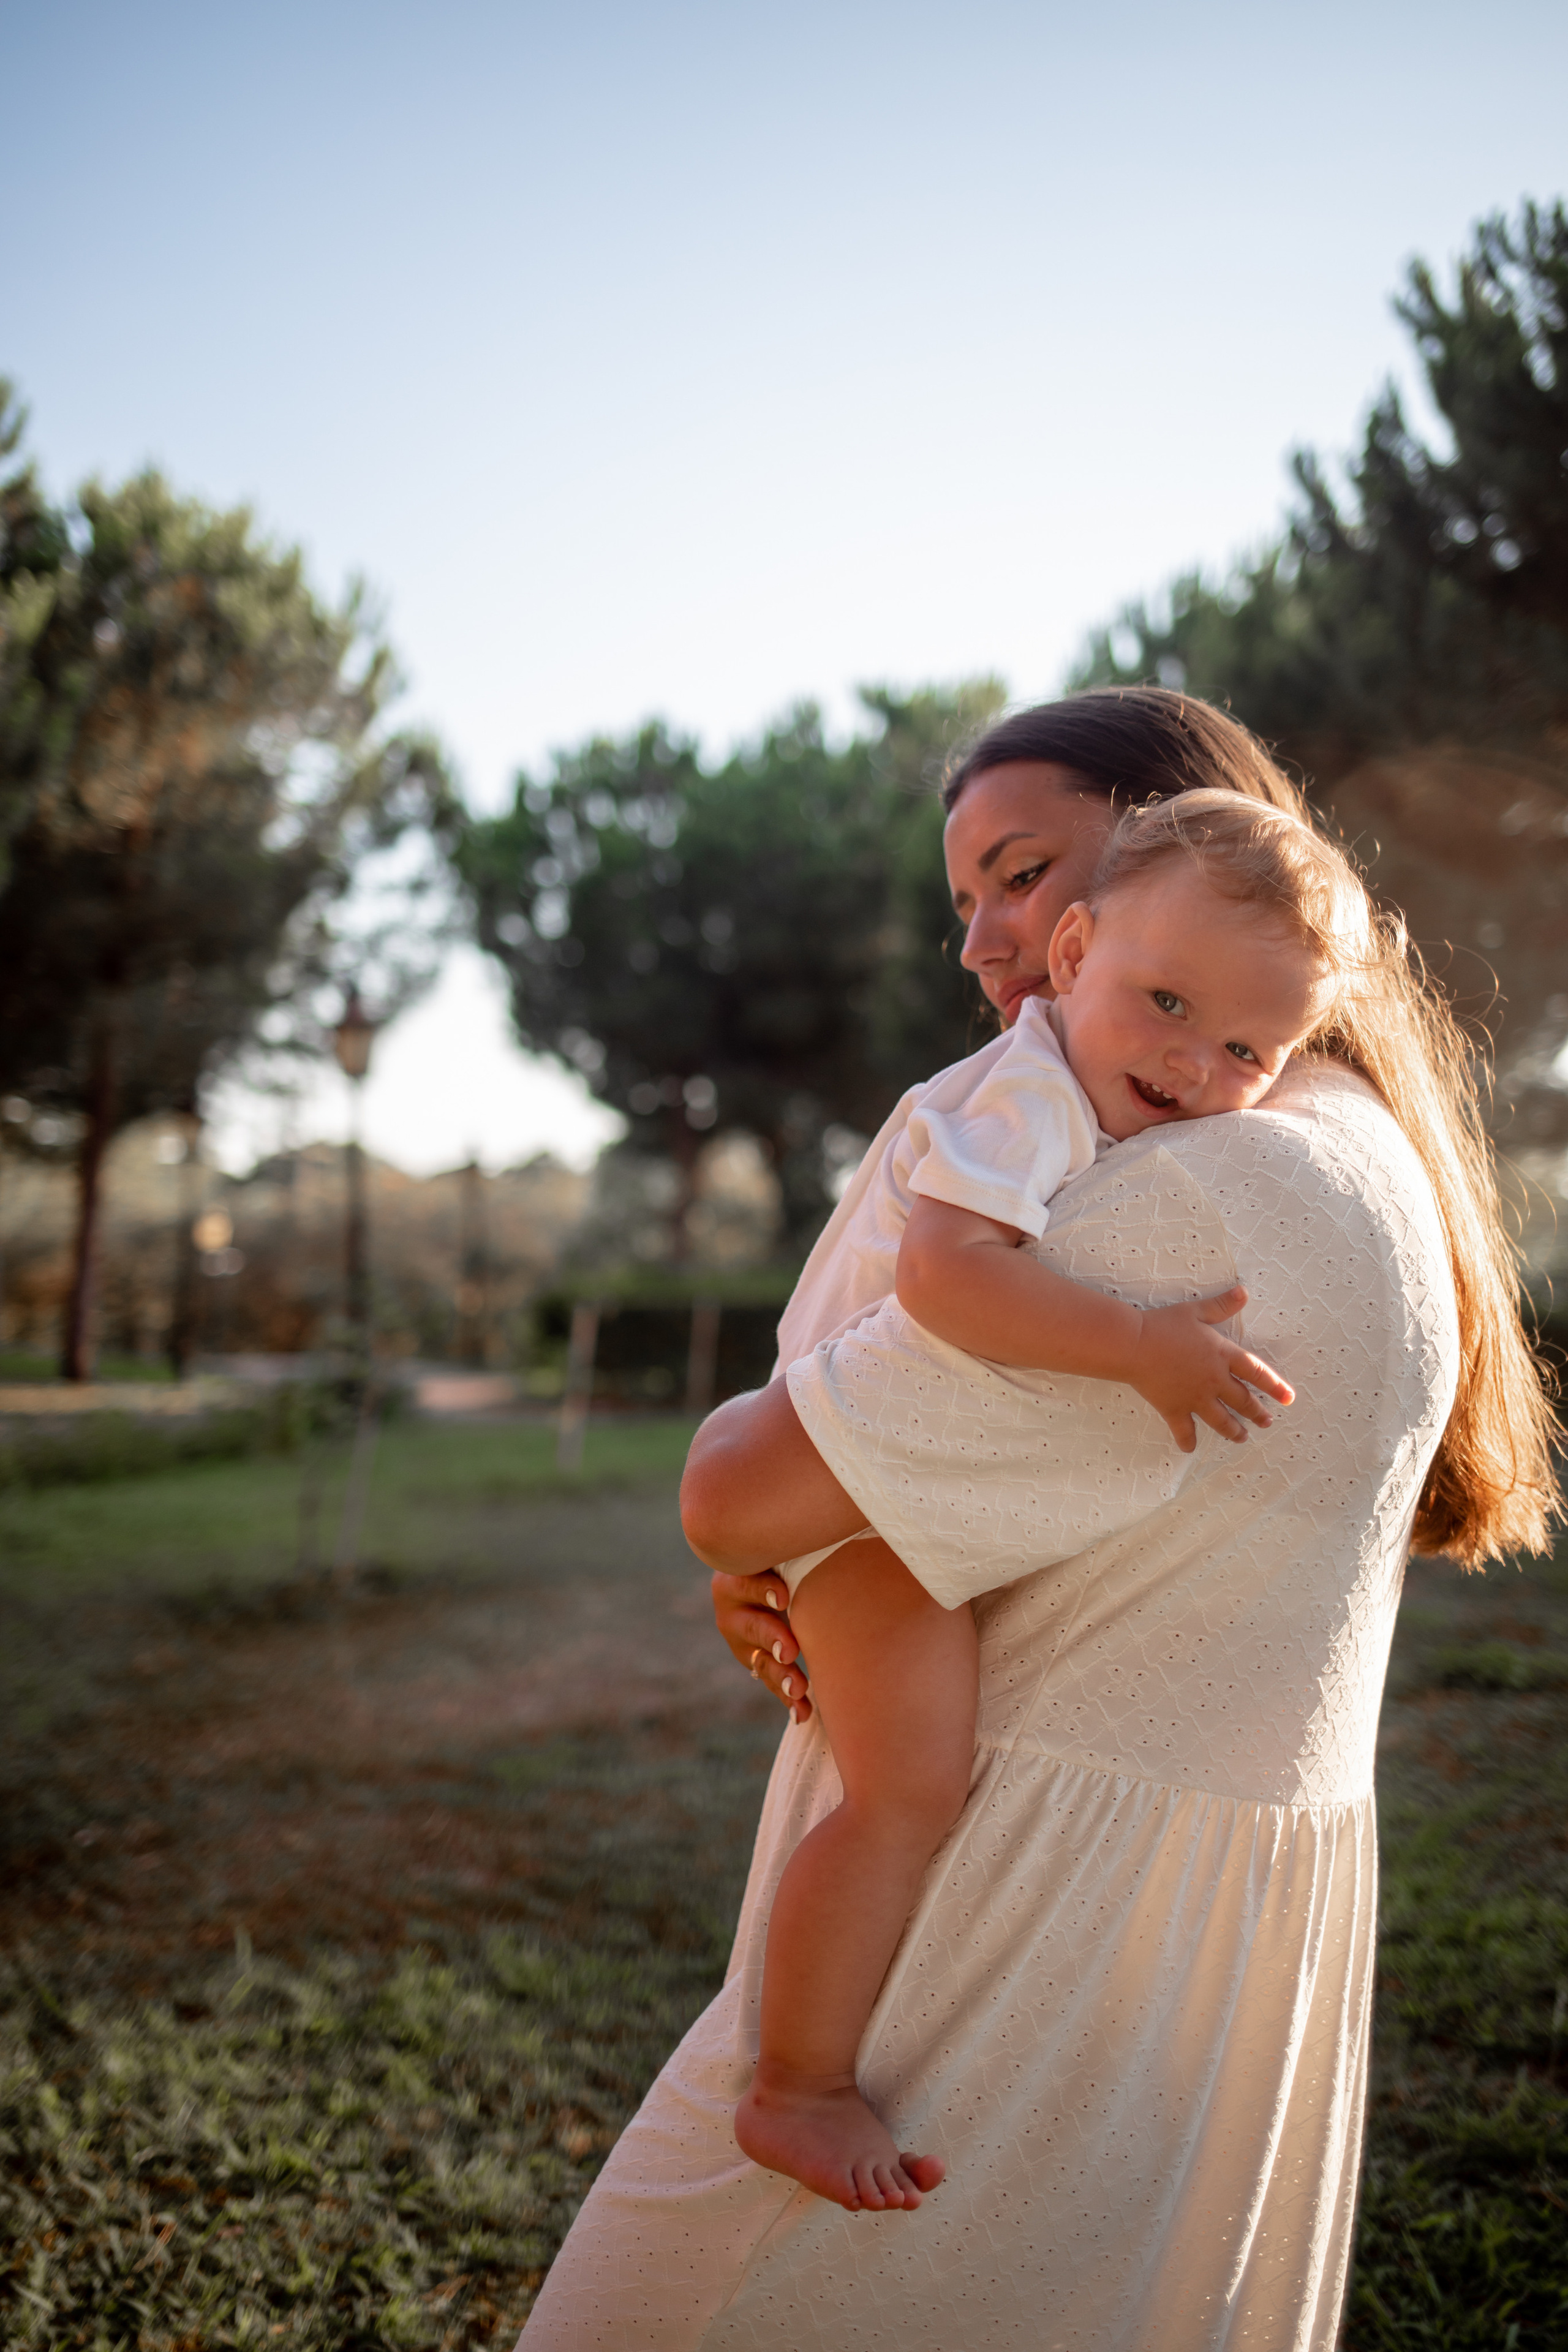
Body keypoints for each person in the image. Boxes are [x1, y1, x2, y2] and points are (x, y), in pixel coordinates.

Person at [519, 690, 1557, 2352]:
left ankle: (797, 2078)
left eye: (1025, 874)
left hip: (1013, 1935)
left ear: (1176, 847)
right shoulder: (1251, 1145)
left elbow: (735, 1490)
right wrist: (805, 1529)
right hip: (1170, 1908)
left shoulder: (1188, 1180)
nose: (994, 937)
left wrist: (781, 1521)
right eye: (972, 902)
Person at [723, 790, 1344, 2216]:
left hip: (860, 1474)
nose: (1194, 1064)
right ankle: (795, 2086)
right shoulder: (1024, 1091)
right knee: (902, 1793)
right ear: (1071, 958)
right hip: (852, 1483)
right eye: (1165, 1003)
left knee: (910, 1784)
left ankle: (796, 2080)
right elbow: (946, 1277)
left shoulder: (1084, 1083)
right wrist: (1137, 1346)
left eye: (1248, 1049)